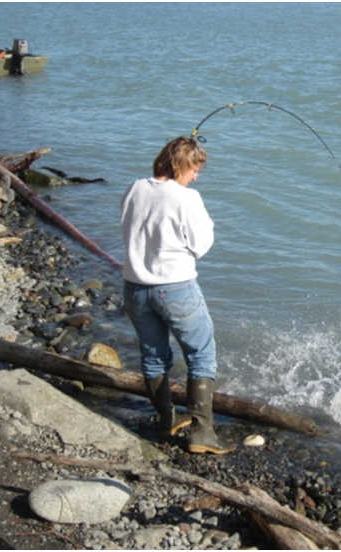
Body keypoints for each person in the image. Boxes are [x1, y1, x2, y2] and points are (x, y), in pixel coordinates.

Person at [121, 136, 235, 455]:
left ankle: (166, 418)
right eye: (195, 169)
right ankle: (202, 434)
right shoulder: (187, 199)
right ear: (182, 164)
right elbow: (201, 246)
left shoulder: (134, 188)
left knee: (154, 355)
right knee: (201, 353)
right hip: (175, 288)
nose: (196, 176)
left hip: (134, 288)